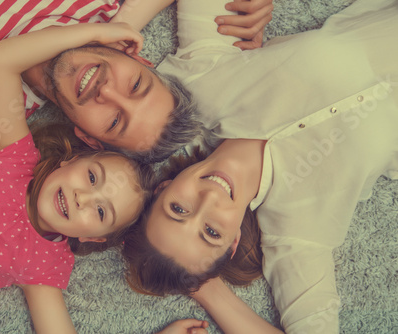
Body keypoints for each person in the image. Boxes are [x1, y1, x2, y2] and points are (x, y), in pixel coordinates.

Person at [121, 0, 398, 333]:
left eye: (178, 208)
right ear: (234, 242)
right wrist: (204, 287)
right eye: (211, 232)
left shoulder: (202, 88)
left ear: (165, 187)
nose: (209, 199)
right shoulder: (297, 232)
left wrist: (120, 26)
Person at [0, 22, 155, 333]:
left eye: (100, 212)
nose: (83, 198)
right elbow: (2, 60)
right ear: (67, 162)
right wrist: (94, 35)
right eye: (90, 177)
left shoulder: (46, 264)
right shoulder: (16, 155)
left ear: (92, 238)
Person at [0, 0, 271, 171]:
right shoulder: (104, 8)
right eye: (136, 85)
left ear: (89, 139)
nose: (106, 92)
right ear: (138, 57)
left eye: (113, 121)